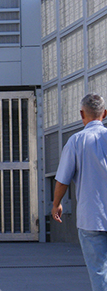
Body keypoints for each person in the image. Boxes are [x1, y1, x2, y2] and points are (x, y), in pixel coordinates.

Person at [52, 93, 107, 291]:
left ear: (82, 114)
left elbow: (62, 179)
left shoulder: (76, 141)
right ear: (105, 113)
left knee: (98, 272)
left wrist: (56, 203)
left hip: (91, 218)